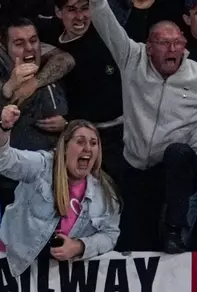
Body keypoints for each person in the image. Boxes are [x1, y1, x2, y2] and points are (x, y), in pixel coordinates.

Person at [88, 0, 197, 251]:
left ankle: (175, 230)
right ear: (148, 47)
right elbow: (103, 17)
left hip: (180, 172)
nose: (172, 49)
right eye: (164, 43)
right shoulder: (131, 58)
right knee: (137, 245)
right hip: (137, 170)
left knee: (177, 153)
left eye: (177, 43)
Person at [0, 105, 121, 274]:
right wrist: (4, 127)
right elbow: (0, 159)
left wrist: (79, 246)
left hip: (54, 277)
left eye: (93, 143)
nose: (87, 148)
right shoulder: (41, 166)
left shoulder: (106, 192)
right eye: (80, 141)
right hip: (11, 263)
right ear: (64, 147)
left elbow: (110, 235)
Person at [0, 19, 73, 174]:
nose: (29, 48)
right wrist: (9, 87)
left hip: (57, 175)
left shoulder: (52, 75)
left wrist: (67, 125)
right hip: (14, 182)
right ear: (6, 49)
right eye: (19, 43)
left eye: (33, 41)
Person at [53, 0, 126, 182]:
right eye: (71, 10)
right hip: (75, 140)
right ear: (58, 12)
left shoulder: (105, 37)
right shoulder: (50, 39)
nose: (80, 16)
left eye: (85, 8)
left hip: (117, 136)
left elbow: (112, 100)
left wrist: (69, 119)